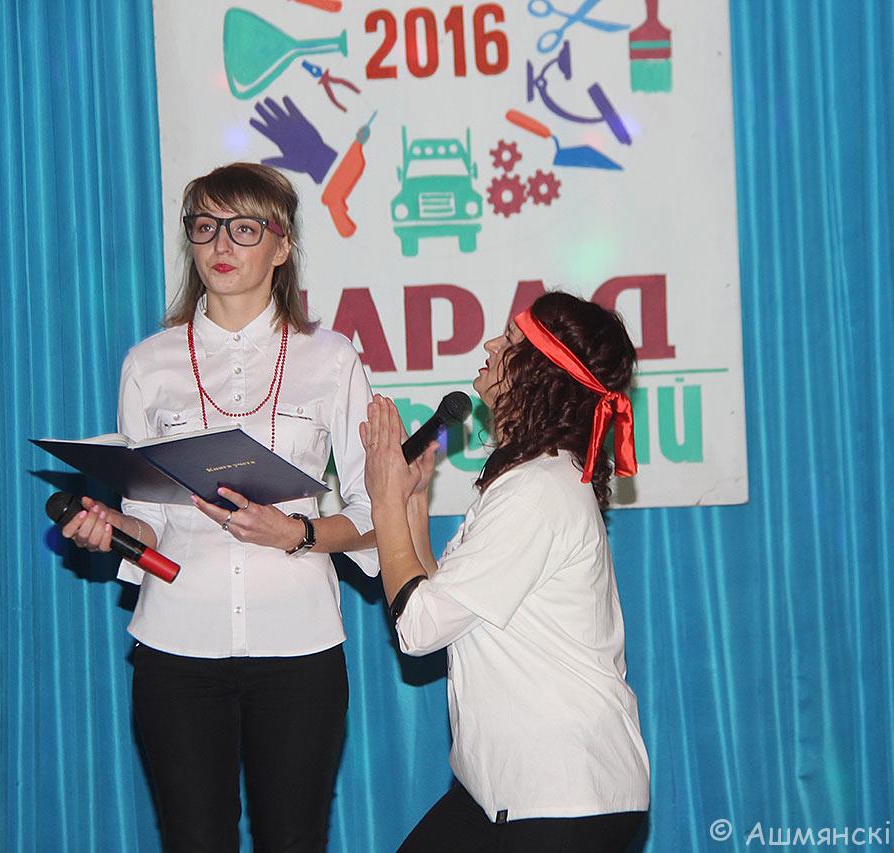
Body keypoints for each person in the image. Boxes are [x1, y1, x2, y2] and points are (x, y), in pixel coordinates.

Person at [60, 162, 376, 852]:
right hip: (177, 646)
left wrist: (295, 532)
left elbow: (373, 517)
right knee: (193, 839)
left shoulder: (332, 359)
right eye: (205, 227)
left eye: (243, 228)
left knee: (294, 839)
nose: (221, 244)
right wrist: (111, 528)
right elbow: (149, 520)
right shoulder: (150, 363)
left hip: (298, 646)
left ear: (282, 245)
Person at [362, 291, 651, 852]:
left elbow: (417, 628)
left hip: (559, 795)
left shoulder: (536, 490)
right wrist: (411, 502)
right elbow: (444, 610)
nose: (492, 344)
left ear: (543, 374)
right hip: (507, 793)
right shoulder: (534, 479)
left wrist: (383, 502)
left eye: (513, 340)